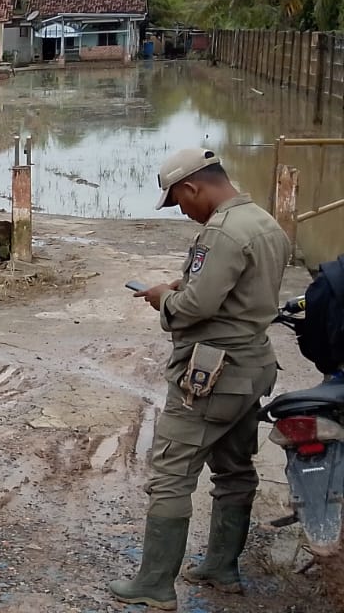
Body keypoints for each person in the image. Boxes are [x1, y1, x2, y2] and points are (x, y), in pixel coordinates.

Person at [109, 148, 290, 609]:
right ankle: (221, 566)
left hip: (214, 372)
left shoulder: (223, 233)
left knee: (171, 474)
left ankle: (153, 584)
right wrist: (181, 286)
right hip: (254, 365)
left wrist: (162, 300)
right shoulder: (265, 223)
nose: (183, 212)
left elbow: (195, 308)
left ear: (193, 187)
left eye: (179, 203)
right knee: (234, 468)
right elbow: (234, 292)